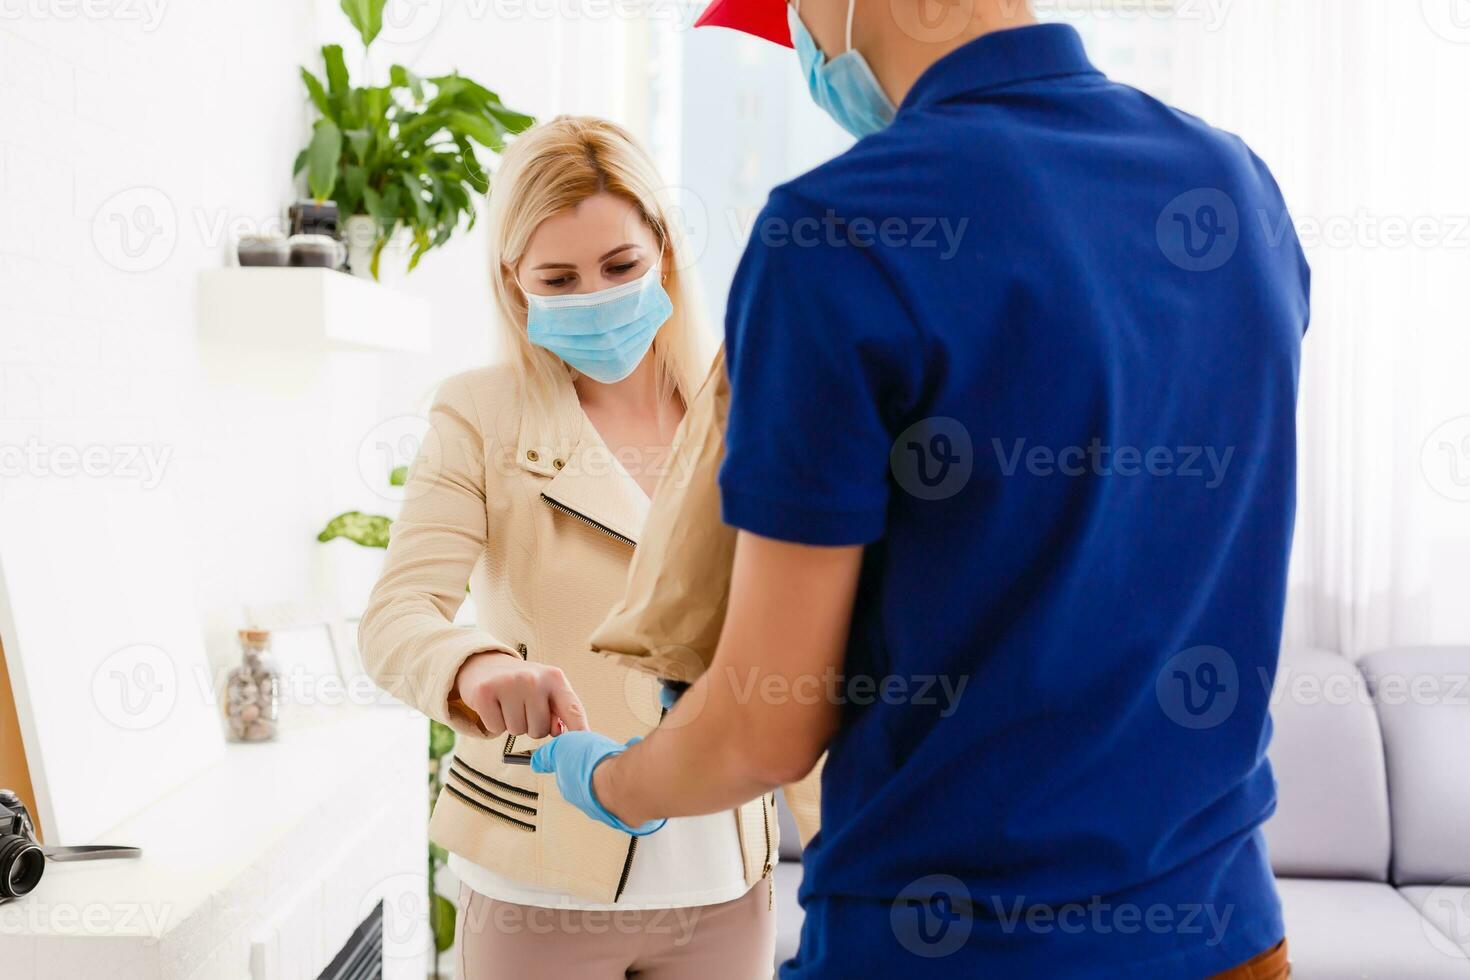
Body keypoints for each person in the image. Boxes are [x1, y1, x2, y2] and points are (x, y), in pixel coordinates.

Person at [531, 2, 1310, 978]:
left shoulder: (834, 234)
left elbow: (766, 725)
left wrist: (615, 780)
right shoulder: (1234, 184)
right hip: (1226, 933)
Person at [358, 116, 778, 979]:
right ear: (515, 284)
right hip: (540, 882)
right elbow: (398, 614)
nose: (597, 296)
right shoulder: (479, 413)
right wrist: (475, 669)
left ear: (662, 250)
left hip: (725, 876)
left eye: (620, 267)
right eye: (560, 277)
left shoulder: (743, 403)